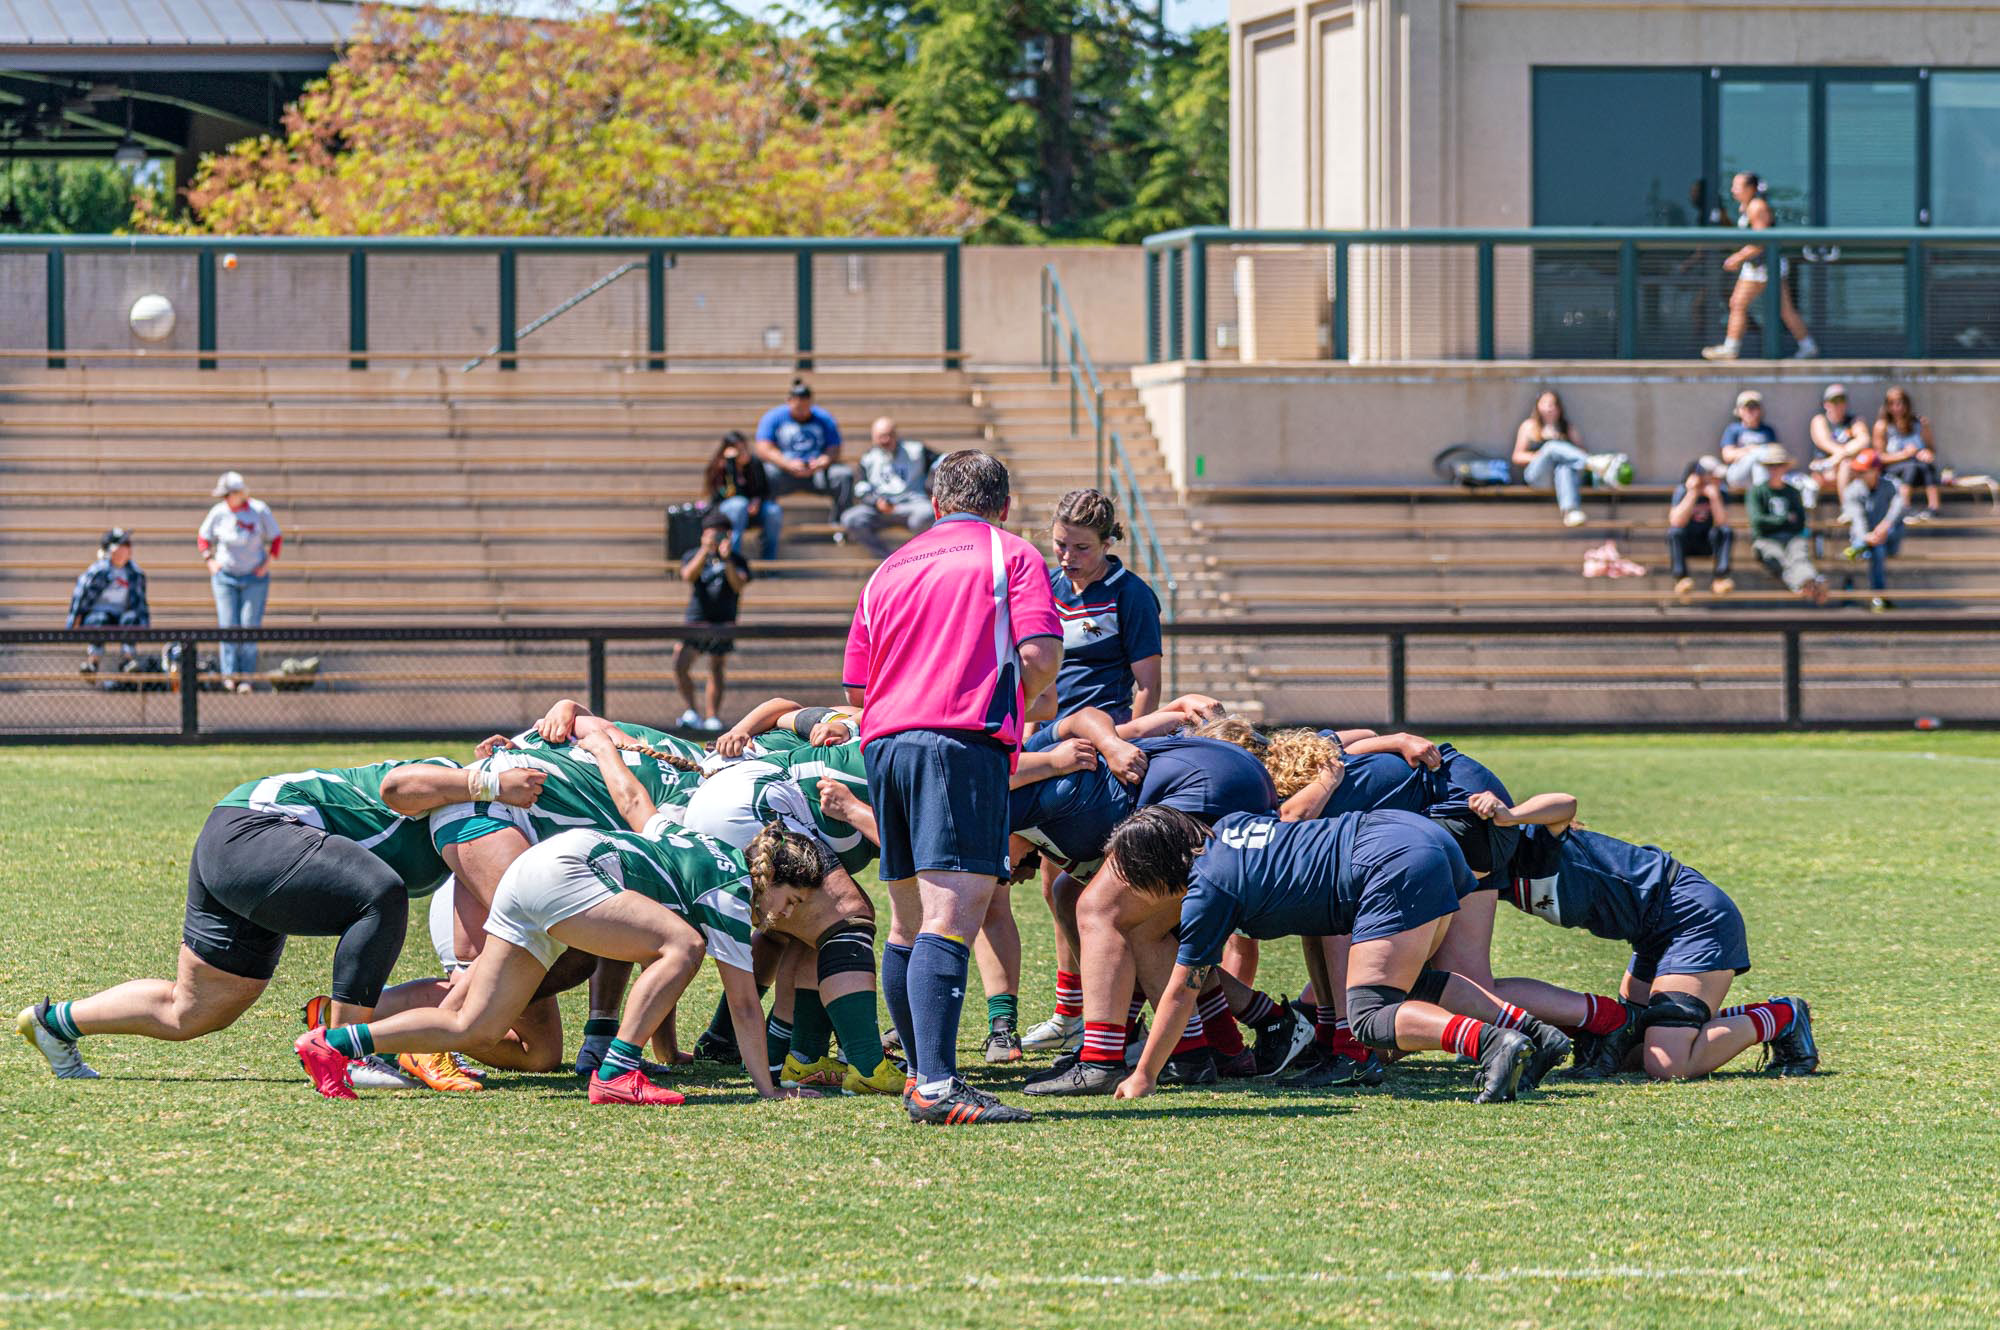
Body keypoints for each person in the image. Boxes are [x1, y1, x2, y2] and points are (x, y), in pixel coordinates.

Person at [17, 758, 543, 1088]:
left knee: (194, 1009)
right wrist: (490, 780)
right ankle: (347, 1049)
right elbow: (399, 784)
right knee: (381, 893)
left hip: (235, 839)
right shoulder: (459, 785)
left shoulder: (481, 833)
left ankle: (53, 1022)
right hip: (258, 829)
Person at [297, 781, 807, 1106]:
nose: (785, 913)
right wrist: (769, 1090)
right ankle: (617, 1071)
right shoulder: (733, 891)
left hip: (536, 871)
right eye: (792, 898)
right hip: (566, 872)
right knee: (684, 945)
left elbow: (644, 823)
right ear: (771, 876)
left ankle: (333, 1045)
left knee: (472, 1026)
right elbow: (743, 1003)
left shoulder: (710, 848)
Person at [842, 448, 1063, 1125]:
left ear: (936, 505)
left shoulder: (887, 569)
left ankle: (921, 1076)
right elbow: (1041, 654)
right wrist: (1019, 704)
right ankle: (937, 1087)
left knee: (908, 921)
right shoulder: (1012, 554)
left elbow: (855, 685)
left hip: (884, 744)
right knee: (955, 914)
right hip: (958, 741)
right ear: (1002, 505)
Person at [1099, 806, 1570, 1106]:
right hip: (1405, 831)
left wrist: (1144, 1076)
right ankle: (1536, 1034)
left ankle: (1492, 1043)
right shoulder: (1228, 829)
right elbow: (1308, 906)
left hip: (1390, 859)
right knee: (1403, 987)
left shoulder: (1209, 890)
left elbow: (1182, 992)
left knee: (1368, 1015)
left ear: (1153, 871)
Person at [1476, 790, 1819, 1079]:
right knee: (1630, 1052)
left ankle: (1783, 1017)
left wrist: (1509, 814)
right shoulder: (1484, 880)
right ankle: (1710, 1021)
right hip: (1650, 934)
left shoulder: (1531, 844)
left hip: (1691, 917)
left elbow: (1565, 803)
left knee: (1667, 1063)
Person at [1014, 488, 1164, 1061]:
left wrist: (1130, 751)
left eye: (1080, 546)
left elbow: (1147, 683)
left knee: (1093, 888)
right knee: (1057, 887)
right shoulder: (1045, 590)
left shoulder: (1131, 595)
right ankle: (1070, 1012)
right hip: (1050, 741)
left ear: (1107, 543)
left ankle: (1122, 1016)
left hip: (1107, 747)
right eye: (1059, 544)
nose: (1067, 556)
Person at [1702, 171, 1819, 361]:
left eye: (1737, 187)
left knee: (1747, 304)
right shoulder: (1746, 207)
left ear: (1751, 189)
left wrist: (1737, 258)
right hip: (1756, 267)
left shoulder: (1757, 207)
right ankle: (1807, 345)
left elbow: (1761, 241)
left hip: (1765, 267)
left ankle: (1732, 348)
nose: (1733, 191)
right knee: (1752, 305)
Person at [196, 470, 280, 693]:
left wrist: (266, 564)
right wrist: (210, 562)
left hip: (254, 578)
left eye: (228, 494)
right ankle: (230, 675)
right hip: (226, 578)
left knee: (249, 625)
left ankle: (246, 677)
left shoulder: (259, 510)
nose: (226, 499)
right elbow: (203, 537)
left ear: (239, 493)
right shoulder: (219, 512)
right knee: (228, 626)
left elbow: (276, 538)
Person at [753, 379, 855, 552]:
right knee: (764, 473)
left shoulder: (823, 418)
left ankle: (839, 526)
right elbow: (763, 448)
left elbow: (834, 447)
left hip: (817, 472)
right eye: (797, 407)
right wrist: (787, 463)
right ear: (789, 402)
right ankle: (764, 526)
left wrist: (824, 460)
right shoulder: (774, 417)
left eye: (805, 407)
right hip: (785, 472)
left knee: (843, 475)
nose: (801, 412)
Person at [676, 508, 751, 732]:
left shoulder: (737, 560)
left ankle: (712, 717)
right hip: (696, 620)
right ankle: (692, 711)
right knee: (680, 663)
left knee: (716, 667)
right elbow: (688, 575)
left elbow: (739, 584)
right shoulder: (694, 555)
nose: (715, 538)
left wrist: (727, 560)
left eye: (720, 534)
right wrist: (704, 551)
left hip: (723, 621)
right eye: (711, 534)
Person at [839, 418, 938, 559]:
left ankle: (917, 557)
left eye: (889, 435)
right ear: (873, 438)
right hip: (880, 509)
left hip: (912, 505)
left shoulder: (916, 450)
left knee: (928, 513)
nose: (885, 439)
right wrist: (876, 502)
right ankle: (887, 558)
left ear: (896, 435)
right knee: (851, 518)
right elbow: (861, 489)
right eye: (881, 436)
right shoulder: (868, 458)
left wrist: (931, 484)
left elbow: (943, 461)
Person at [1513, 390, 1609, 528]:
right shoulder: (1529, 426)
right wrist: (1541, 455)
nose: (1549, 407)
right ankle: (1590, 462)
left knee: (1564, 467)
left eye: (1552, 404)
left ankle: (1570, 511)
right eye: (1545, 403)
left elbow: (1580, 450)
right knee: (1551, 447)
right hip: (1538, 476)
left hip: (1561, 480)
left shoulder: (1566, 428)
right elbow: (1517, 456)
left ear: (1559, 407)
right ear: (1538, 406)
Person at [1746, 446, 1827, 604]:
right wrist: (1784, 519)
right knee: (1777, 558)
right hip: (1766, 539)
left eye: (1779, 465)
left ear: (1785, 467)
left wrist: (1774, 522)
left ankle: (1807, 583)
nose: (1775, 469)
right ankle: (1806, 584)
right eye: (1771, 466)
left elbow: (1800, 522)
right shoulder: (1757, 491)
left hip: (1791, 537)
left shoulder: (1792, 492)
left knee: (1799, 555)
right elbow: (1757, 522)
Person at [66, 527, 149, 674]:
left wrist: (145, 625)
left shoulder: (135, 573)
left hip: (122, 615)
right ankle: (93, 662)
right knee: (99, 620)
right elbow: (81, 596)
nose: (129, 548)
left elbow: (140, 603)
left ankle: (128, 660)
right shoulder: (98, 571)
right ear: (111, 550)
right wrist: (74, 620)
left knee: (130, 618)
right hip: (100, 614)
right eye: (124, 545)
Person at [1841, 449, 1906, 613]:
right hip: (1867, 539)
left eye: (1864, 471)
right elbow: (1857, 518)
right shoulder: (1853, 490)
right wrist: (1867, 536)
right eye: (1859, 471)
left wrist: (1886, 525)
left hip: (1888, 537)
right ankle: (1878, 596)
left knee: (1877, 546)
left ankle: (1876, 595)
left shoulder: (1891, 485)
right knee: (1876, 548)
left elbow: (1900, 505)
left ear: (1876, 470)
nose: (1860, 474)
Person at [1667, 460, 1735, 600]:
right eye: (1712, 476)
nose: (1718, 479)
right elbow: (1676, 522)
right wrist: (1692, 493)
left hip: (1709, 542)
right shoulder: (1683, 491)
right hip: (1689, 542)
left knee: (1726, 532)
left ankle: (1720, 578)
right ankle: (1681, 579)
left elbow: (1722, 522)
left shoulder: (1720, 491)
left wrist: (1714, 497)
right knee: (1675, 533)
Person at [1874, 386, 1942, 522]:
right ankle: (1904, 507)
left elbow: (1931, 448)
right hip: (1893, 471)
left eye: (1900, 403)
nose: (1897, 407)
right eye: (1892, 404)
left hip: (1919, 470)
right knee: (1910, 466)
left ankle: (1933, 508)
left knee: (1926, 466)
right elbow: (1880, 457)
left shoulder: (1920, 423)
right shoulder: (1882, 426)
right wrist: (1904, 454)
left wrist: (1926, 453)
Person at [704, 429, 775, 559]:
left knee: (773, 511)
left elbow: (764, 490)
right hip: (726, 510)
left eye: (743, 448)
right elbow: (730, 494)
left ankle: (769, 563)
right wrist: (731, 465)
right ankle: (733, 558)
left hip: (752, 509)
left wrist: (757, 501)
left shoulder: (754, 463)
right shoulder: (719, 468)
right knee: (739, 504)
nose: (741, 452)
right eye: (737, 449)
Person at [1807, 383, 1871, 505]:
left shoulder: (1855, 421)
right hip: (1824, 471)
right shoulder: (1820, 420)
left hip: (1847, 468)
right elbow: (1824, 442)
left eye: (1842, 399)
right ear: (1826, 403)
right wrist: (1842, 453)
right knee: (1844, 463)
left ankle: (1847, 509)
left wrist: (1836, 459)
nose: (1839, 404)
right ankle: (1847, 508)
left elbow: (1864, 440)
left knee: (1847, 464)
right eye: (1834, 400)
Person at [1718, 390, 1780, 492]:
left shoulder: (1768, 431)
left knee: (1760, 463)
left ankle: (1760, 495)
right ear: (1739, 410)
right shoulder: (1733, 429)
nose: (1750, 411)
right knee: (1759, 454)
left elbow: (1775, 455)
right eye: (1746, 407)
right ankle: (1763, 495)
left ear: (1760, 410)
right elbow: (1727, 456)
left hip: (1761, 472)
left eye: (1753, 407)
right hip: (1738, 474)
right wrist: (1752, 450)